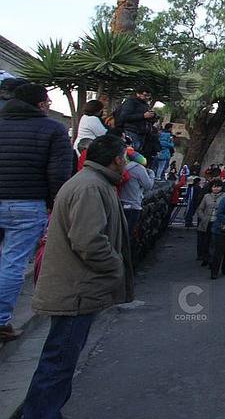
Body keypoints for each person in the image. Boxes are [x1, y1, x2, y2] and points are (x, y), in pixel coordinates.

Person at [19, 134, 134, 418]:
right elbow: (89, 241)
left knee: (61, 359)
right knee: (59, 361)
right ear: (117, 159)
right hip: (76, 290)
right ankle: (40, 413)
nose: (127, 163)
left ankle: (45, 410)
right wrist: (115, 264)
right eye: (126, 158)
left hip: (77, 288)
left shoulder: (93, 183)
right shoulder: (90, 188)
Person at [0, 83, 72, 342]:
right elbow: (58, 172)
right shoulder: (53, 129)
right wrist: (56, 203)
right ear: (41, 104)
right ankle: (1, 322)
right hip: (27, 204)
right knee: (13, 263)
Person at [119, 148, 154, 240]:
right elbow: (148, 185)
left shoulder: (122, 166)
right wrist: (151, 174)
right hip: (133, 205)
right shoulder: (139, 168)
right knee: (128, 234)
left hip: (120, 203)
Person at [113, 87, 156, 155]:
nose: (147, 98)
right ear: (138, 94)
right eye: (145, 95)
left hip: (141, 134)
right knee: (130, 154)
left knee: (135, 154)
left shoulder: (145, 104)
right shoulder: (131, 102)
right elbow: (124, 117)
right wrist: (143, 116)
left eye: (148, 96)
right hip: (131, 132)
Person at [194, 180, 222, 266]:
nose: (216, 189)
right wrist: (203, 218)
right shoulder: (206, 196)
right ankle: (205, 257)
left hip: (217, 222)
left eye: (218, 186)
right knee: (206, 241)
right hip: (207, 222)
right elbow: (200, 209)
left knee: (215, 242)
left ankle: (212, 260)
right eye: (214, 187)